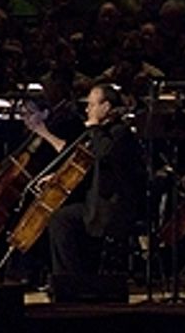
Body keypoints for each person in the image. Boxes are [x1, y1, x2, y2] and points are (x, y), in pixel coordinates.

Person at [44, 82, 144, 280]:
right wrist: (57, 177)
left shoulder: (120, 133)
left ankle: (70, 280)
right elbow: (89, 167)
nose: (87, 109)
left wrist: (95, 128)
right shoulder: (102, 133)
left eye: (92, 104)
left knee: (61, 221)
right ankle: (69, 278)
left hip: (113, 205)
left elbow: (103, 154)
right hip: (96, 201)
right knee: (60, 217)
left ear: (106, 107)